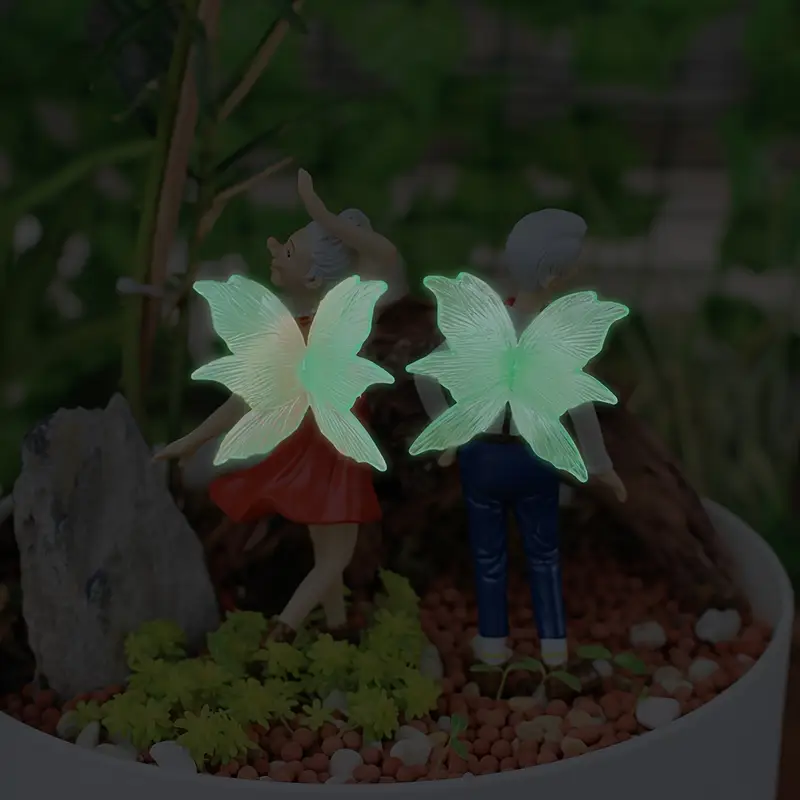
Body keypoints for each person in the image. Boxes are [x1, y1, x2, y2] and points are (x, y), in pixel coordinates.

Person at [155, 168, 406, 642]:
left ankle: (334, 627)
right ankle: (285, 629)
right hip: (332, 442)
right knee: (335, 554)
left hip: (323, 440)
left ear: (311, 275)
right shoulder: (315, 327)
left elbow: (385, 254)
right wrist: (193, 440)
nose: (274, 250)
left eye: (288, 251)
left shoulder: (331, 319)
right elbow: (247, 396)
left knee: (326, 546)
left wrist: (322, 216)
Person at [413, 209, 627, 671]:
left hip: (482, 457)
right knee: (544, 554)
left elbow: (425, 376)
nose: (576, 273)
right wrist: (599, 465)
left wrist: (449, 429)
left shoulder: (481, 323)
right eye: (570, 267)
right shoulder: (560, 333)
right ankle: (554, 647)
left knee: (488, 554)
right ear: (554, 273)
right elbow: (580, 406)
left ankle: (493, 645)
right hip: (536, 455)